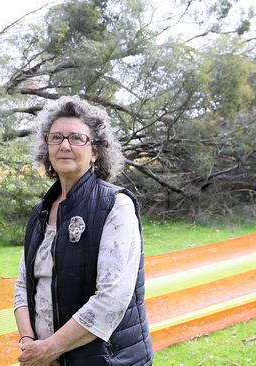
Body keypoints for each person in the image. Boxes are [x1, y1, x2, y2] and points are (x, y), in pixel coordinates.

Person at [14, 96, 153, 366]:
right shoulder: (39, 212)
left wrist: (50, 348)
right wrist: (30, 344)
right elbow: (23, 286)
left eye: (77, 138)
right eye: (56, 137)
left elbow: (111, 299)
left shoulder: (115, 205)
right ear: (47, 148)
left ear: (96, 152)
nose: (65, 145)